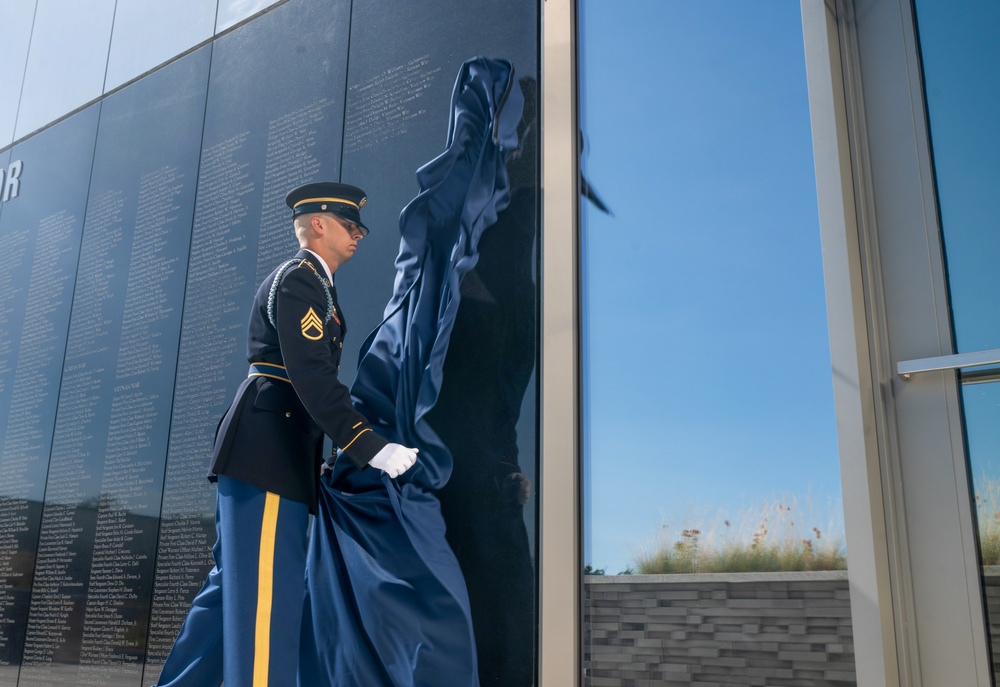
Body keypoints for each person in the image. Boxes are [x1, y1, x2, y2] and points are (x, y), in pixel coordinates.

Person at [153, 182, 419, 687]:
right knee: (265, 599)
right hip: (271, 450)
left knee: (230, 594)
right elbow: (311, 376)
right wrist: (372, 447)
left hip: (265, 447)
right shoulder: (301, 280)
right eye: (350, 225)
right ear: (318, 224)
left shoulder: (315, 286)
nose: (359, 235)